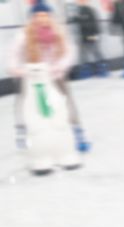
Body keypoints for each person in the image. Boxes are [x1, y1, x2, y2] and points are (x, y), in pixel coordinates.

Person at [8, 0, 89, 175]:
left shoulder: (58, 32)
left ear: (50, 17)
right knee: (26, 105)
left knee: (66, 102)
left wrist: (60, 66)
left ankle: (76, 132)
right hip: (32, 77)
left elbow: (69, 51)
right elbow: (14, 54)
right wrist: (17, 69)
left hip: (54, 74)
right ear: (32, 18)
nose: (41, 19)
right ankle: (24, 132)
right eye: (37, 16)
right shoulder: (24, 34)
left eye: (45, 15)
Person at [70, 0, 108, 78]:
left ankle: (102, 69)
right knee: (84, 53)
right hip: (84, 35)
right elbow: (75, 19)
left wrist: (96, 34)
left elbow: (93, 23)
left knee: (95, 51)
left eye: (81, 1)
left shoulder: (89, 10)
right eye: (78, 1)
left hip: (91, 34)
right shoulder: (79, 11)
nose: (79, 2)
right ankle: (87, 71)